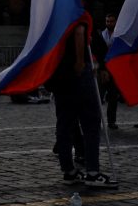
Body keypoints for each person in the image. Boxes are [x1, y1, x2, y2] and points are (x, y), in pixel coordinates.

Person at [44, 19, 117, 188]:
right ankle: (92, 172)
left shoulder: (53, 14)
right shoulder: (76, 11)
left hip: (59, 76)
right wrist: (80, 62)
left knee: (65, 125)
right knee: (91, 124)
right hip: (77, 75)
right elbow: (79, 31)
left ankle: (68, 170)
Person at [98, 12, 121, 129]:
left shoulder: (119, 34)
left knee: (113, 98)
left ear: (115, 21)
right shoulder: (101, 35)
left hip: (114, 70)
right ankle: (97, 121)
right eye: (107, 21)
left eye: (111, 21)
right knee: (99, 96)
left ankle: (111, 121)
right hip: (103, 69)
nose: (109, 23)